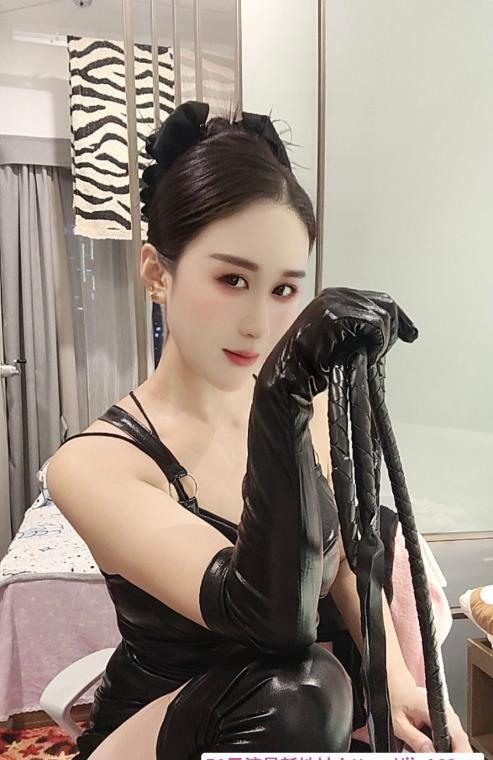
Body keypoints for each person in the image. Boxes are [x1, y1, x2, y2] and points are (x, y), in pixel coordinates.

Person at [46, 101, 471, 758]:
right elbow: (270, 619)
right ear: (157, 272)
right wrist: (281, 395)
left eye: (283, 290)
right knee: (300, 691)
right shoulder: (95, 463)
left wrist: (402, 685)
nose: (258, 323)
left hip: (287, 729)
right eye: (232, 278)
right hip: (159, 731)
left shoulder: (308, 411)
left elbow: (343, 568)